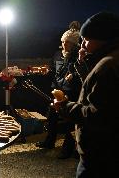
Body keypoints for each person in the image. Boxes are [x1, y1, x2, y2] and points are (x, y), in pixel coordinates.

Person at [52, 11, 119, 177]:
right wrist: (83, 66)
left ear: (102, 39)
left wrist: (66, 107)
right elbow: (97, 90)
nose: (82, 45)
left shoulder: (108, 65)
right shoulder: (108, 59)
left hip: (100, 155)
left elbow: (99, 115)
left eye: (86, 40)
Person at [37, 21, 82, 159]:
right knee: (52, 117)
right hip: (57, 89)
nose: (64, 44)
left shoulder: (77, 57)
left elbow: (83, 72)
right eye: (63, 41)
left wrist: (73, 75)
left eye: (68, 42)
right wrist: (47, 70)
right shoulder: (58, 55)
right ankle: (49, 141)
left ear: (74, 44)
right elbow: (53, 69)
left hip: (71, 92)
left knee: (70, 120)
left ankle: (67, 149)